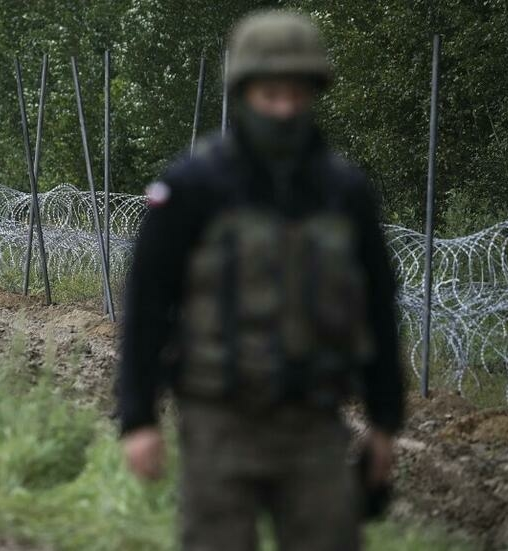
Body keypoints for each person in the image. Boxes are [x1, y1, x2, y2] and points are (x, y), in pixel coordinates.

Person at [116, 9, 405, 551]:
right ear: (243, 92)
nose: (284, 109)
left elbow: (380, 308)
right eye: (270, 94)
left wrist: (386, 420)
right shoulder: (194, 186)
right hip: (219, 420)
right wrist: (138, 417)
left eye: (297, 94)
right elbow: (148, 303)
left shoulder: (343, 191)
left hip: (315, 423)